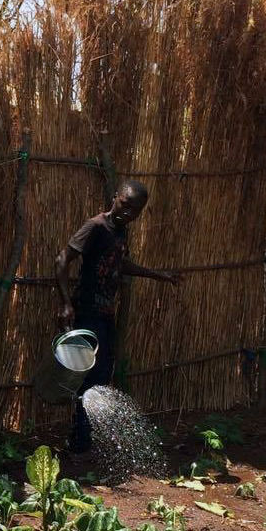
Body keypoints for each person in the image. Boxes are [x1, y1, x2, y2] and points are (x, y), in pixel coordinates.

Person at [54, 179, 182, 454]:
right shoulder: (95, 227)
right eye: (125, 204)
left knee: (100, 376)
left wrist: (157, 275)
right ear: (115, 198)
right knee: (87, 378)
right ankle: (79, 443)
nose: (127, 212)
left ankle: (86, 439)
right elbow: (63, 260)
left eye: (135, 210)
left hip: (105, 314)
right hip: (87, 312)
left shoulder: (120, 232)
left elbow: (118, 263)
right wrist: (66, 303)